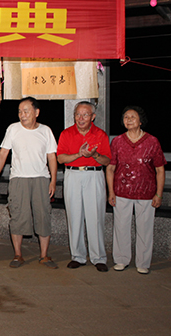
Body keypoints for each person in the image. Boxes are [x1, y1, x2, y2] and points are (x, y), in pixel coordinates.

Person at [0, 97, 58, 269]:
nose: (22, 115)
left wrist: (53, 181)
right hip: (18, 178)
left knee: (43, 215)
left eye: (26, 111)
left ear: (36, 112)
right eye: (20, 111)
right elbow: (3, 153)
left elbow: (52, 157)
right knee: (18, 215)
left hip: (41, 178)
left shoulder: (46, 131)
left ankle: (44, 255)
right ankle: (18, 254)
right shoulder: (13, 129)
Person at [107, 106, 166, 274]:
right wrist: (111, 192)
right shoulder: (117, 141)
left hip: (146, 193)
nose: (129, 119)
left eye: (133, 116)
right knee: (121, 228)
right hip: (121, 192)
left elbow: (160, 170)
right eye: (126, 117)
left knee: (145, 229)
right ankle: (121, 259)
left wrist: (159, 194)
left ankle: (143, 262)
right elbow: (110, 168)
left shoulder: (152, 141)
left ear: (141, 121)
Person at [57, 101, 111, 272]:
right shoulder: (66, 133)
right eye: (78, 114)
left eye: (85, 114)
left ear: (93, 117)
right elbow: (60, 158)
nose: (81, 118)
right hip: (72, 175)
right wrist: (79, 154)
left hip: (94, 175)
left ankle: (98, 257)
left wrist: (94, 155)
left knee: (95, 216)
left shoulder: (100, 135)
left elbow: (107, 161)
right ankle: (78, 256)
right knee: (74, 216)